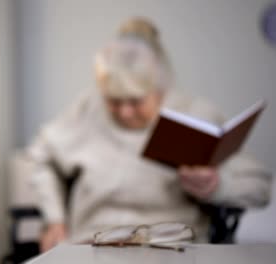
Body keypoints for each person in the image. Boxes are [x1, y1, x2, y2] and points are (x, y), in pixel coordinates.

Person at [25, 18, 273, 252]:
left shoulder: (196, 113)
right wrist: (55, 219)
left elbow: (260, 187)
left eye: (136, 101)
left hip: (171, 247)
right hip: (91, 246)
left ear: (160, 87)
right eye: (114, 101)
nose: (125, 111)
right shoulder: (87, 109)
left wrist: (218, 186)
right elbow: (42, 157)